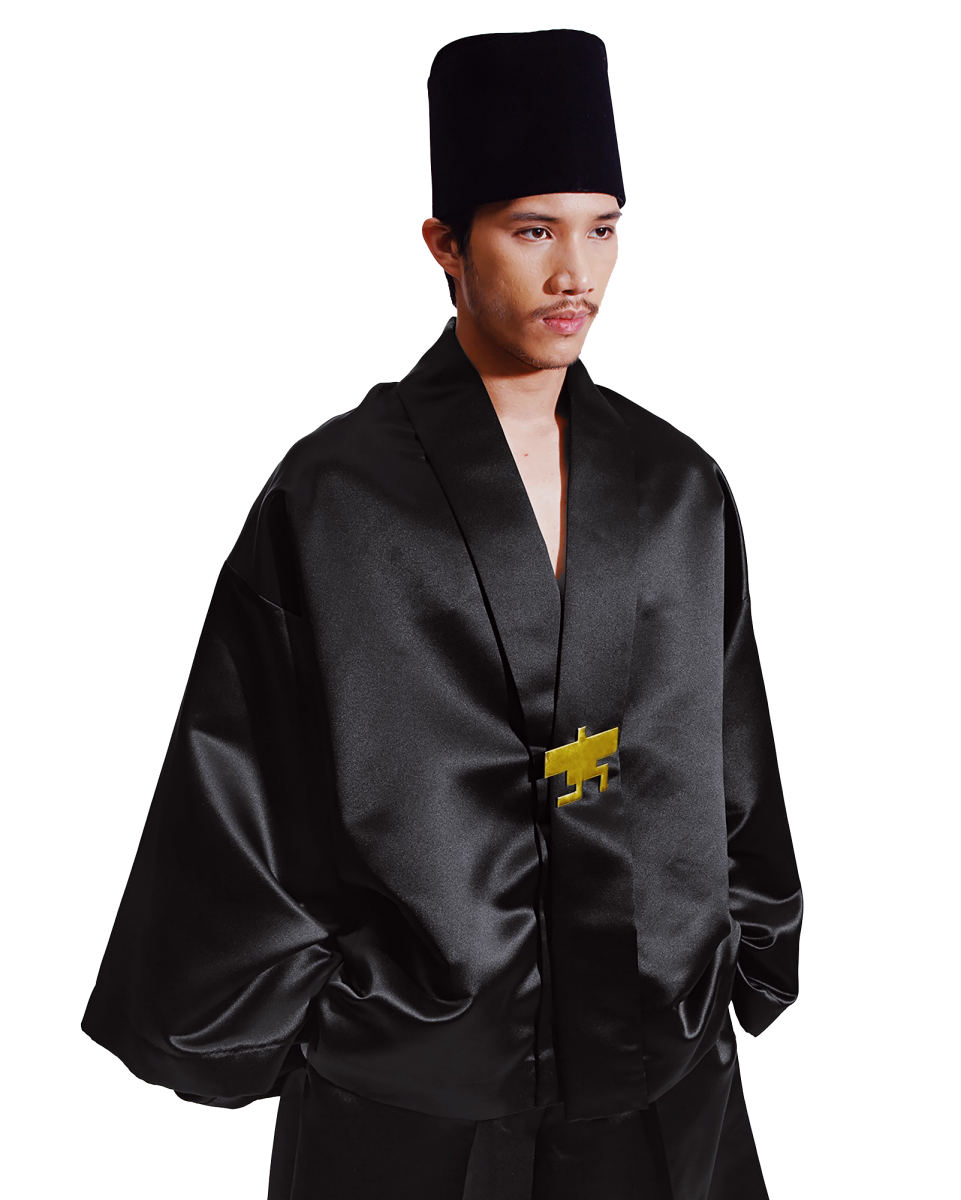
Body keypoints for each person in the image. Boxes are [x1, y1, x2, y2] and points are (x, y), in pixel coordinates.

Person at [81, 29, 802, 1199]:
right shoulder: (334, 495)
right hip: (415, 1079)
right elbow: (241, 772)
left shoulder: (678, 484)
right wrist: (324, 1004)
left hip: (661, 1064)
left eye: (603, 229)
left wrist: (745, 951)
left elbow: (735, 751)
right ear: (444, 245)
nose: (576, 273)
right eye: (533, 230)